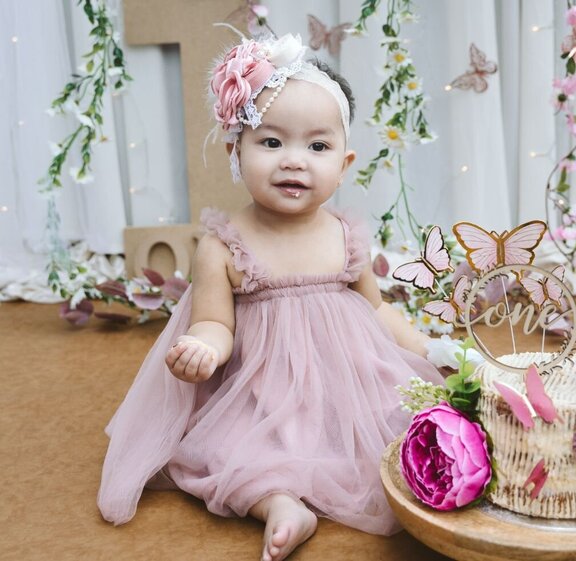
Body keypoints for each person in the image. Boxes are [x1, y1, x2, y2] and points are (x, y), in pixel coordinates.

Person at [98, 33, 445, 561]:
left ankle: (302, 487)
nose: (294, 161)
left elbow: (376, 310)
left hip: (348, 384)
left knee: (402, 434)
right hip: (263, 391)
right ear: (237, 150)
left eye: (318, 146)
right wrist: (205, 349)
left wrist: (429, 347)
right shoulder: (224, 246)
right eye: (271, 142)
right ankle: (281, 505)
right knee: (239, 452)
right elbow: (215, 322)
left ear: (344, 163)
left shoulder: (345, 235)